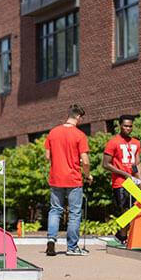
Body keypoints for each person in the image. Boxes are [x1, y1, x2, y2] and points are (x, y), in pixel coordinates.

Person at [44, 104, 92, 256]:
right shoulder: (79, 135)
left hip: (56, 178)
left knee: (55, 210)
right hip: (73, 179)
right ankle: (72, 247)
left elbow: (47, 157)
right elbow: (85, 161)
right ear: (78, 117)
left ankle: (51, 240)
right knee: (75, 212)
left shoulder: (53, 132)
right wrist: (87, 175)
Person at [102, 114, 141, 243]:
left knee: (137, 208)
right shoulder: (113, 142)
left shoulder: (136, 142)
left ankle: (122, 235)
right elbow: (106, 164)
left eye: (130, 126)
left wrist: (140, 181)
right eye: (125, 126)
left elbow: (135, 164)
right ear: (120, 125)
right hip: (120, 183)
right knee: (125, 210)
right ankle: (123, 236)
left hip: (133, 182)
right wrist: (124, 174)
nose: (128, 128)